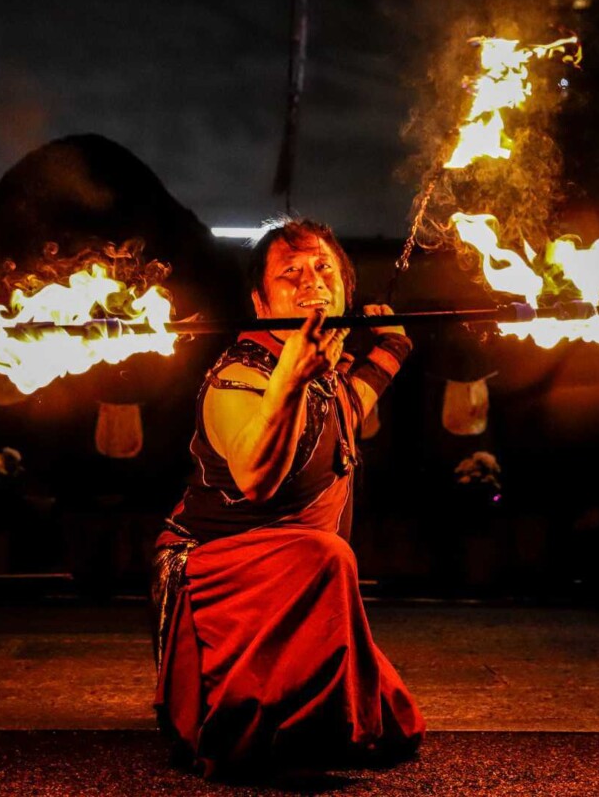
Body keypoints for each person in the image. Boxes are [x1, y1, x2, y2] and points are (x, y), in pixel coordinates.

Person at [151, 217, 425, 781]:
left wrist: (393, 341)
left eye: (325, 269)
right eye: (290, 274)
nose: (312, 283)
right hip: (217, 573)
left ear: (346, 291)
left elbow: (363, 388)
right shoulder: (237, 377)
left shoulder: (334, 382)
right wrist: (290, 379)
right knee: (325, 554)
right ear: (258, 302)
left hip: (294, 580)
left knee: (398, 726)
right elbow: (255, 476)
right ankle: (252, 728)